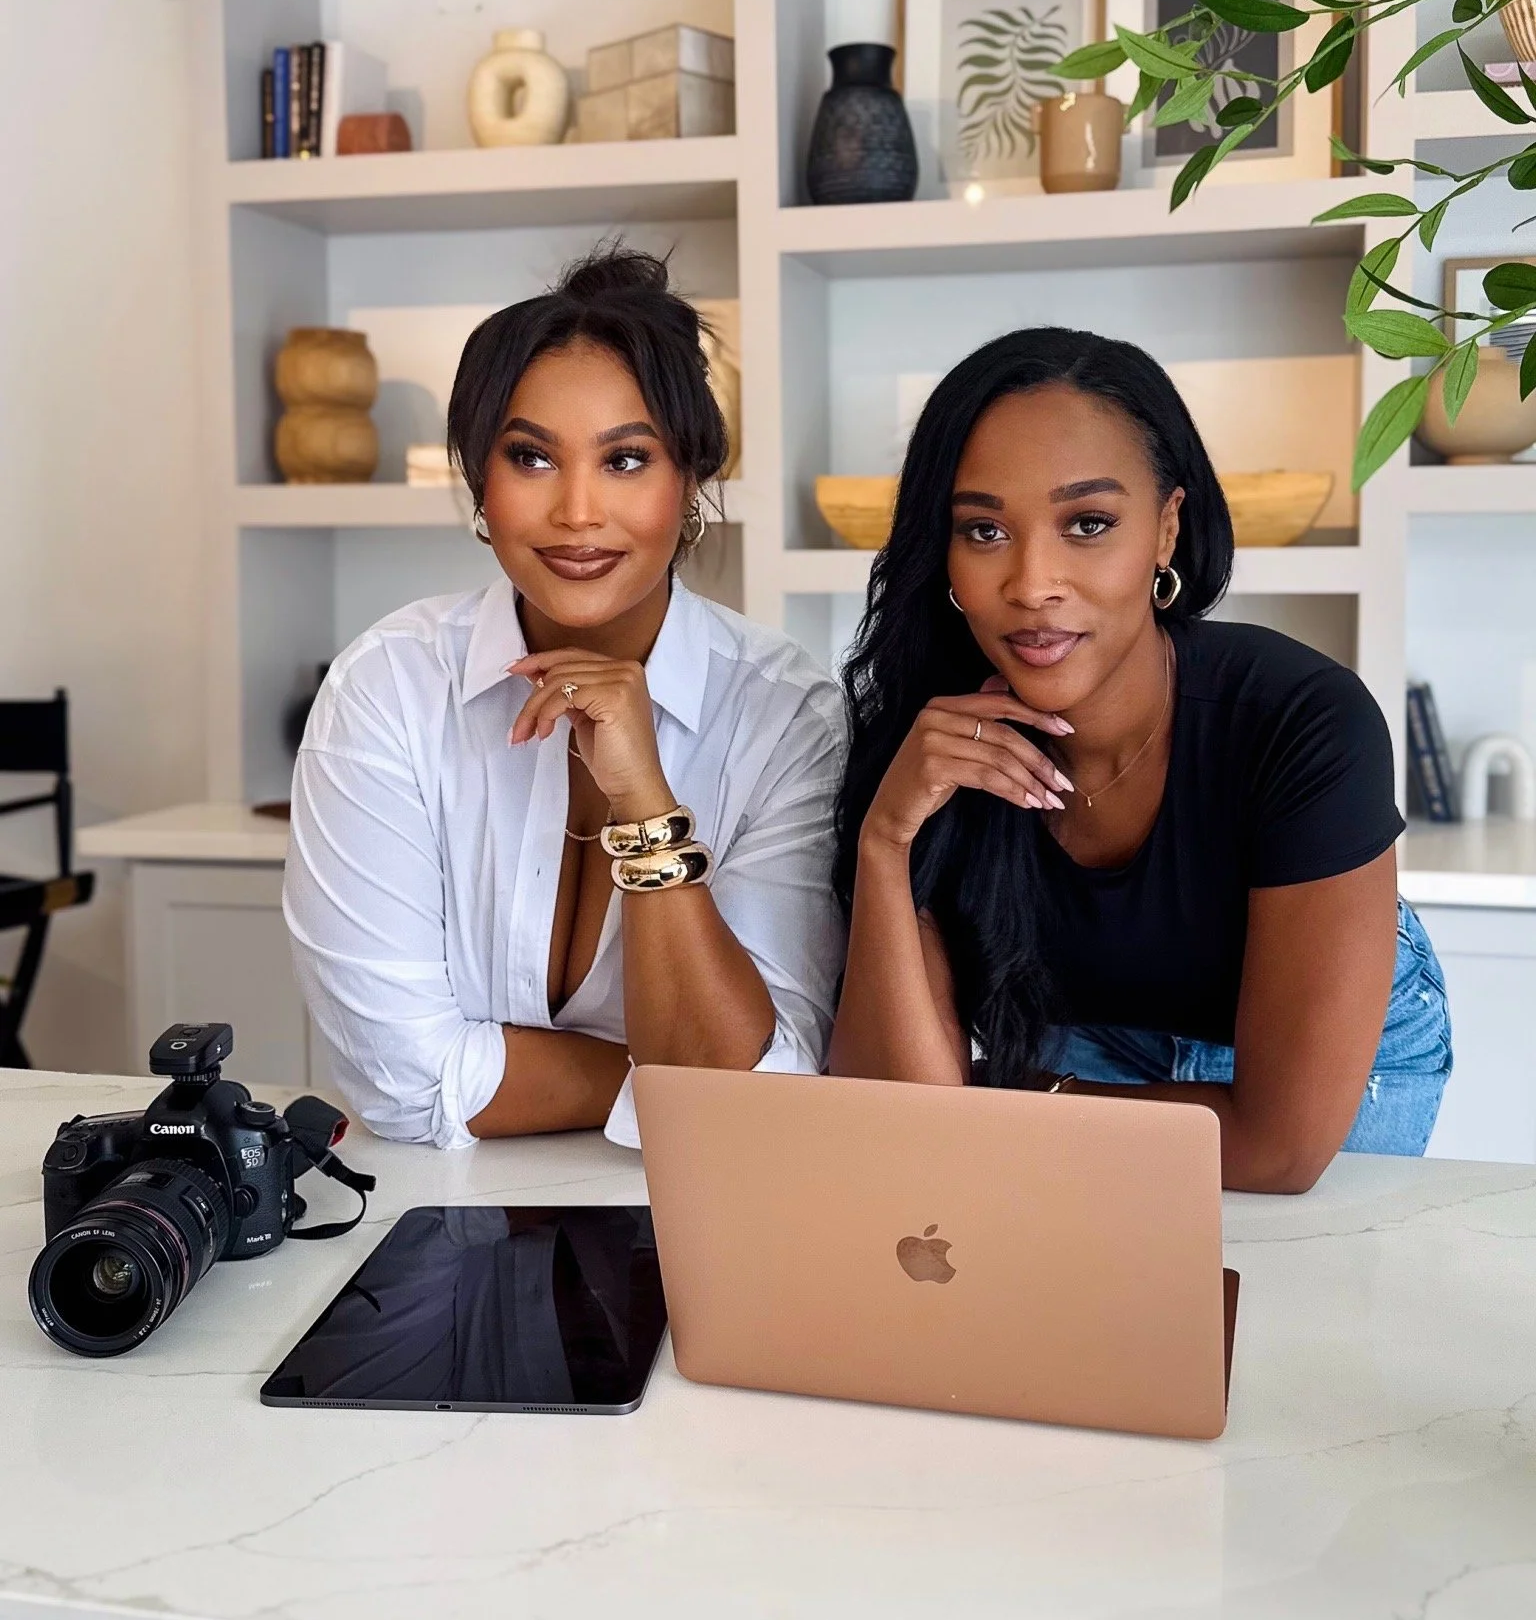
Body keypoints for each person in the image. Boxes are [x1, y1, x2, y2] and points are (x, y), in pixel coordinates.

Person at [829, 327, 1450, 1193]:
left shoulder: (1301, 718)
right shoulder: (927, 733)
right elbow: (889, 1108)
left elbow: (1278, 1150)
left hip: (1327, 1048)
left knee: (1302, 1296)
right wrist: (887, 840)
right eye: (983, 530)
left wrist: (993, 1105)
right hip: (1084, 1035)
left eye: (1088, 523)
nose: (1033, 583)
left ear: (1166, 529)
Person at [285, 246, 845, 1151]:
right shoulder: (387, 689)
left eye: (627, 460)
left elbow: (764, 1091)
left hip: (697, 1228)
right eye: (531, 457)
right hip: (437, 1226)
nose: (579, 513)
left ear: (691, 478)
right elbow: (400, 1082)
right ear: (479, 479)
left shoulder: (787, 715)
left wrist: (647, 803)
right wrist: (662, 1080)